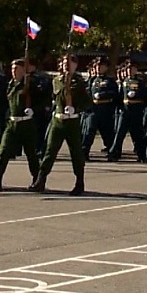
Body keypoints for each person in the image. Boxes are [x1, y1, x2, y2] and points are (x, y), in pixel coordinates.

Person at [31, 53, 93, 195]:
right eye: (64, 62)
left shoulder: (79, 82)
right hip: (58, 121)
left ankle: (79, 182)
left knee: (76, 153)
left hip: (72, 121)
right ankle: (40, 180)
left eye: (69, 62)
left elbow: (88, 102)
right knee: (49, 152)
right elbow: (53, 98)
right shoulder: (56, 81)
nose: (65, 65)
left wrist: (75, 108)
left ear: (75, 65)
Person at [0, 59, 45, 192]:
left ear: (23, 70)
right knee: (3, 152)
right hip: (12, 123)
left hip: (26, 123)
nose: (14, 72)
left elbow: (43, 100)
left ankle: (38, 180)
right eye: (12, 69)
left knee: (31, 154)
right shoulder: (11, 84)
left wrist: (33, 110)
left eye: (17, 69)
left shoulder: (31, 84)